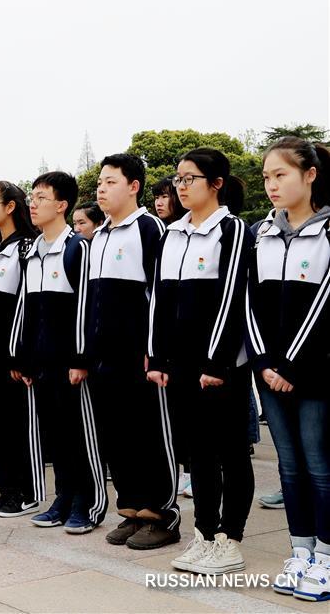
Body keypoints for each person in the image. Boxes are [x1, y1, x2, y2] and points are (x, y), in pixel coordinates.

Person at [148, 148, 254, 574]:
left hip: (220, 366)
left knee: (229, 450)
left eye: (189, 178)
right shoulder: (172, 234)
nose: (181, 186)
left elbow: (232, 298)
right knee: (198, 454)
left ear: (216, 184)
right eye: (178, 179)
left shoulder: (232, 229)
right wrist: (157, 357)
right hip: (179, 365)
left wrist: (216, 362)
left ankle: (231, 539)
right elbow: (157, 300)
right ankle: (205, 534)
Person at [248, 136, 330, 601]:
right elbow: (249, 304)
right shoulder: (262, 233)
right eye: (266, 177)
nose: (272, 185)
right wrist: (263, 362)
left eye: (281, 175)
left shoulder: (329, 231)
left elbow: (323, 306)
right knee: (290, 467)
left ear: (310, 174)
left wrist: (291, 365)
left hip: (316, 374)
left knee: (321, 466)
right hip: (271, 375)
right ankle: (300, 552)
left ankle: (326, 558)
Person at [88, 153, 179, 550]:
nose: (101, 189)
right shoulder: (101, 235)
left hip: (139, 356)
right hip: (105, 356)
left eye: (110, 182)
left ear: (133, 186)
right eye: (100, 183)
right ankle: (132, 511)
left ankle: (161, 514)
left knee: (148, 435)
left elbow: (160, 294)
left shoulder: (149, 228)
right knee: (115, 434)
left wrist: (154, 348)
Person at [13, 172, 106, 534]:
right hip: (42, 363)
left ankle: (89, 502)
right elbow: (27, 309)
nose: (32, 204)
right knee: (55, 436)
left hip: (71, 364)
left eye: (40, 197)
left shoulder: (77, 248)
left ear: (62, 205)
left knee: (79, 435)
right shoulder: (33, 250)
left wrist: (80, 358)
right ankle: (63, 498)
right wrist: (23, 357)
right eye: (31, 198)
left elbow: (86, 307)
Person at [0, 181, 42, 518]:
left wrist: (21, 355)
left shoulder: (27, 248)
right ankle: (6, 491)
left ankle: (26, 492)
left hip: (13, 355)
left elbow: (26, 307)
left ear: (10, 207)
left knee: (18, 426)